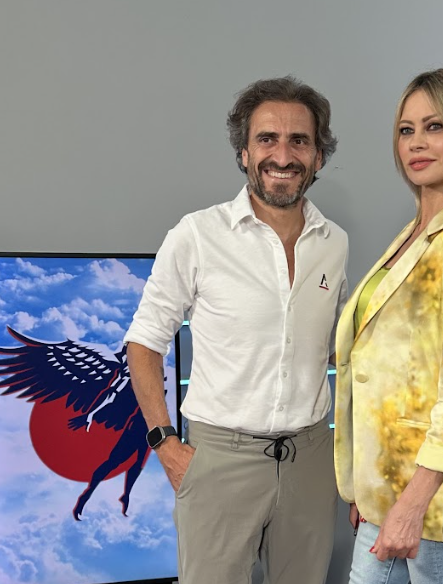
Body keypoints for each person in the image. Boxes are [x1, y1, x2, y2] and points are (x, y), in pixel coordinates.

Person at [124, 76, 348, 584]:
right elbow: (144, 342)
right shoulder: (197, 235)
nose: (282, 155)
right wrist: (164, 442)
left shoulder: (334, 243)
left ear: (318, 156)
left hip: (311, 459)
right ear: (244, 152)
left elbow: (330, 346)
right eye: (267, 139)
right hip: (219, 461)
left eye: (299, 141)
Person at [333, 68, 443, 584]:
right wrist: (367, 485)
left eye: (434, 126)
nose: (416, 142)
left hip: (434, 503)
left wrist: (412, 505)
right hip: (385, 492)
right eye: (405, 130)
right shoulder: (414, 234)